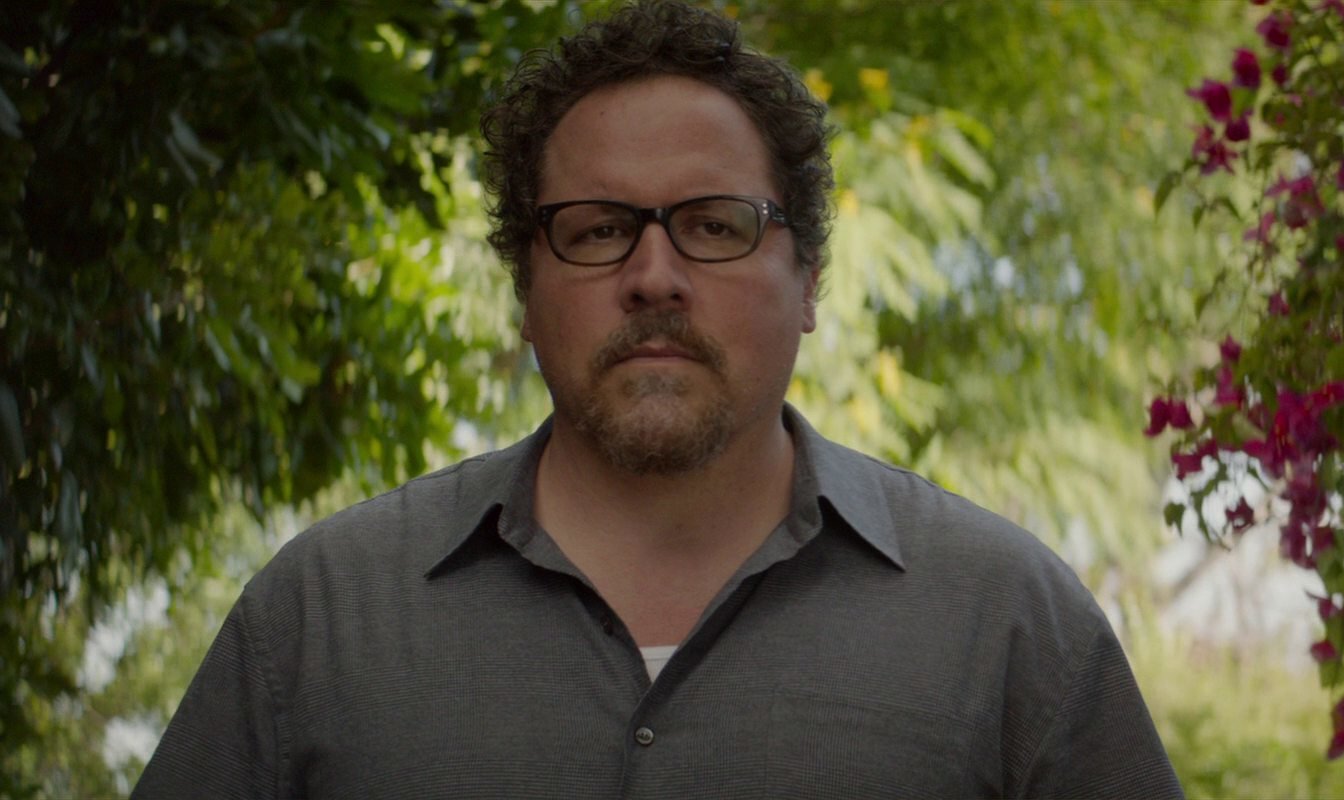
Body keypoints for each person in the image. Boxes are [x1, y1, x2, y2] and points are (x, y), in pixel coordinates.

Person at [133, 2, 1182, 797]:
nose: (654, 276)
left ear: (809, 282)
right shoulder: (317, 620)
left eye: (715, 224)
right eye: (596, 229)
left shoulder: (1010, 624)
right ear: (525, 291)